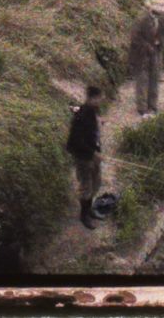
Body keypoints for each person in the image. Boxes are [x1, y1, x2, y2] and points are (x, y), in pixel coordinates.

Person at [65, 84, 104, 229]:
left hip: (93, 153)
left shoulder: (93, 111)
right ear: (92, 98)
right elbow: (76, 141)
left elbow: (94, 134)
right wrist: (93, 154)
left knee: (96, 182)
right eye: (99, 98)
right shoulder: (82, 117)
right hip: (83, 156)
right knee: (86, 186)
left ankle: (89, 209)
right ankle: (84, 215)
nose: (101, 100)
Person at [127, 0, 164, 115]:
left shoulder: (163, 19)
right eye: (157, 12)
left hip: (155, 51)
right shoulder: (141, 19)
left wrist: (159, 42)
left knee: (155, 78)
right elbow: (135, 38)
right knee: (142, 80)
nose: (159, 14)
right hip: (140, 54)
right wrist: (147, 46)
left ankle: (153, 106)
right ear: (150, 10)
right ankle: (142, 108)